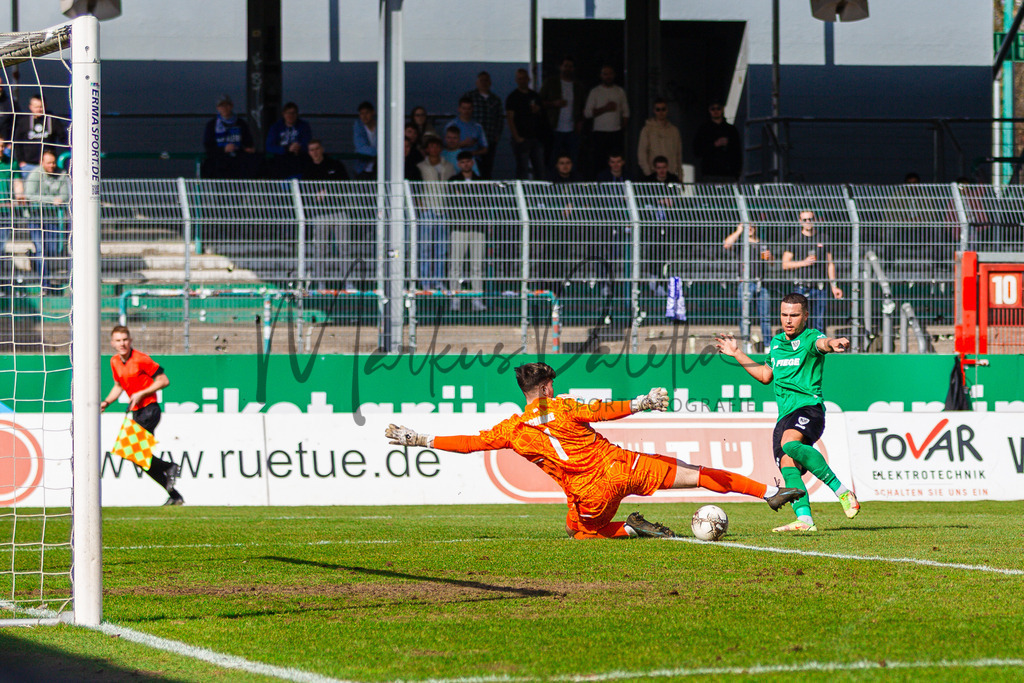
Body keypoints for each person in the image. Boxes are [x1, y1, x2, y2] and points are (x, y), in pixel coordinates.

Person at [385, 362, 805, 539]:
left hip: (592, 492)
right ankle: (766, 494)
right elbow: (602, 411)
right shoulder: (563, 406)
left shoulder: (510, 430)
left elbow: (469, 445)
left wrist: (421, 439)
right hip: (623, 464)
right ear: (548, 388)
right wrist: (641, 403)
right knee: (696, 472)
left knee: (581, 532)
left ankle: (632, 528)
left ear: (526, 392)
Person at [715, 293, 860, 532]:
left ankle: (842, 492)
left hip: (809, 408)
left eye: (794, 315)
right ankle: (805, 520)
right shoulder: (776, 344)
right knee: (787, 464)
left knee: (790, 444)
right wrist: (737, 354)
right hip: (785, 416)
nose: (788, 320)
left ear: (805, 316)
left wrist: (834, 344)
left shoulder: (811, 338)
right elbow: (765, 376)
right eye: (784, 315)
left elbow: (824, 343)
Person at [100, 325, 184, 506]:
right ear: (112, 343)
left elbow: (164, 380)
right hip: (138, 412)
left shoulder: (141, 359)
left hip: (150, 409)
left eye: (125, 340)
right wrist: (106, 402)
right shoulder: (115, 361)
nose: (122, 344)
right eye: (118, 340)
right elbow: (118, 386)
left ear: (130, 341)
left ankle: (169, 467)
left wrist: (142, 393)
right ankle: (175, 495)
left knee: (132, 452)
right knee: (139, 458)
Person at [301, 140, 355, 291]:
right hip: (320, 215)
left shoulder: (335, 165)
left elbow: (345, 186)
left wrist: (329, 192)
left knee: (344, 249)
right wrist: (315, 196)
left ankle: (348, 282)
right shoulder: (308, 169)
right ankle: (321, 284)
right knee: (320, 250)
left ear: (322, 149)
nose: (315, 152)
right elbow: (306, 193)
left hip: (339, 212)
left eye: (317, 148)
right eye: (311, 150)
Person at [781, 209, 843, 334]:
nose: (808, 222)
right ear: (800, 221)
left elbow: (830, 263)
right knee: (799, 323)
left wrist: (834, 286)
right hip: (801, 287)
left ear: (815, 220)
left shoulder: (823, 238)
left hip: (819, 287)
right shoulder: (795, 239)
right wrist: (804, 262)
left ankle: (818, 350)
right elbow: (785, 264)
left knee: (819, 322)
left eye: (810, 219)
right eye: (805, 220)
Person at [22, 148, 68, 291]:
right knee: (42, 250)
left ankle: (32, 257)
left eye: (53, 163)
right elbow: (29, 195)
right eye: (48, 163)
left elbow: (65, 195)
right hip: (36, 218)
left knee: (53, 250)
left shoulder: (62, 174)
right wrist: (51, 200)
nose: (51, 166)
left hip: (53, 218)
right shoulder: (35, 174)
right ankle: (45, 284)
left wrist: (58, 200)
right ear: (42, 162)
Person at [723, 222, 774, 346]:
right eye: (747, 226)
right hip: (745, 283)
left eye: (752, 226)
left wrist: (769, 257)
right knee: (745, 316)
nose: (750, 228)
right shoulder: (741, 243)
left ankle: (768, 345)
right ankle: (746, 343)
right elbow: (726, 244)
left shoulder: (762, 243)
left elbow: (771, 263)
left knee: (765, 316)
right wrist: (739, 230)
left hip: (761, 283)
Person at [415, 134, 455, 289]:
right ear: (426, 149)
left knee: (441, 248)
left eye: (437, 146)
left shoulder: (449, 166)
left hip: (443, 210)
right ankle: (425, 282)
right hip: (427, 209)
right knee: (425, 248)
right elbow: (417, 188)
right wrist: (421, 205)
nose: (434, 149)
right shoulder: (421, 167)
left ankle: (438, 281)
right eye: (431, 146)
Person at [448, 151, 487, 312]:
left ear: (472, 162)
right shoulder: (453, 181)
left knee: (476, 266)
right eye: (462, 162)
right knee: (456, 265)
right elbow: (452, 204)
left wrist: (464, 198)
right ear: (458, 164)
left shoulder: (481, 181)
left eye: (468, 161)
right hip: (458, 227)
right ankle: (455, 299)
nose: (465, 164)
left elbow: (484, 203)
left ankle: (476, 299)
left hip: (478, 228)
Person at [584, 66, 630, 178]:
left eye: (610, 74)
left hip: (615, 133)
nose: (608, 76)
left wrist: (622, 129)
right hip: (599, 133)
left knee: (617, 162)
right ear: (601, 76)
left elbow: (626, 113)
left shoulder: (619, 91)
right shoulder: (595, 92)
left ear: (614, 75)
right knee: (599, 162)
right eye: (605, 74)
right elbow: (587, 113)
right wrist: (605, 108)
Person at [540, 56, 585, 170]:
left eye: (570, 67)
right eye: (565, 66)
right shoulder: (551, 82)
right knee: (552, 158)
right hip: (554, 127)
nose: (567, 69)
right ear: (560, 67)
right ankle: (552, 184)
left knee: (573, 159)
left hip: (572, 129)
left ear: (573, 69)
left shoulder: (578, 86)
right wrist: (554, 104)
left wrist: (580, 121)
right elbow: (539, 102)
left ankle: (572, 184)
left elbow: (582, 106)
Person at [201, 95, 257, 179]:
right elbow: (208, 146)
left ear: (231, 106)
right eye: (221, 106)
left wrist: (245, 148)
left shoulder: (241, 123)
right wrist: (224, 149)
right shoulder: (212, 125)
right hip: (219, 164)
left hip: (239, 162)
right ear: (218, 108)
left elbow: (248, 142)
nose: (224, 108)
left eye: (227, 105)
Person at [12, 95, 68, 178]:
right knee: (30, 189)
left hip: (47, 166)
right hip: (28, 165)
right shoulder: (24, 122)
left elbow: (63, 138)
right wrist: (21, 161)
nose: (39, 109)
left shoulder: (52, 120)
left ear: (45, 106)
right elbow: (16, 142)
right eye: (36, 107)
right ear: (30, 107)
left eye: (41, 107)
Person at [505, 68, 546, 180]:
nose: (522, 81)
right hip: (522, 138)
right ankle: (522, 194)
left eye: (524, 78)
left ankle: (539, 194)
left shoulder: (535, 96)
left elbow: (542, 115)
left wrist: (538, 110)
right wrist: (517, 137)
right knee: (522, 169)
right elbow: (510, 118)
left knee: (540, 169)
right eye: (520, 78)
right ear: (516, 80)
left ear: (529, 79)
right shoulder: (512, 97)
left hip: (536, 138)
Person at [461, 72, 504, 179]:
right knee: (470, 165)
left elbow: (500, 118)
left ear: (490, 82)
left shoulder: (495, 99)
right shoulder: (470, 96)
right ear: (477, 82)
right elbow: (463, 115)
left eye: (486, 80)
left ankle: (486, 191)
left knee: (487, 167)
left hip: (489, 139)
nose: (484, 83)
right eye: (481, 80)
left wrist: (497, 135)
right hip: (472, 140)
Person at [692, 101, 742, 183]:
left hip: (728, 174)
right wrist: (714, 145)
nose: (716, 111)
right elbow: (697, 151)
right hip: (709, 173)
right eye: (713, 109)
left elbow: (737, 152)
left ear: (722, 110)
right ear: (709, 110)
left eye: (718, 108)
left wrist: (737, 172)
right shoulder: (704, 130)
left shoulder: (731, 130)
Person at [264, 101, 312, 179]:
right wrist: (286, 149)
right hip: (281, 161)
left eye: (293, 113)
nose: (290, 116)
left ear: (297, 114)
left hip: (299, 159)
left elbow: (308, 143)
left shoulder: (304, 126)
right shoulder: (276, 127)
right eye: (288, 113)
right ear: (283, 114)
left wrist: (298, 147)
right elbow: (269, 146)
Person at [637, 98, 682, 180]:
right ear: (654, 111)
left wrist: (680, 176)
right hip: (653, 175)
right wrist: (649, 173)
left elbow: (678, 154)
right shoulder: (647, 130)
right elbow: (642, 153)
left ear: (667, 110)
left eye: (663, 109)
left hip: (670, 175)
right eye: (658, 109)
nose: (661, 112)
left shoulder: (674, 131)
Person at [444, 97, 488, 163]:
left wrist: (472, 153)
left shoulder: (478, 127)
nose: (466, 111)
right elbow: (445, 147)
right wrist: (462, 144)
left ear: (472, 109)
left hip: (473, 160)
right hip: (454, 159)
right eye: (464, 108)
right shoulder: (451, 126)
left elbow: (485, 149)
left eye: (469, 108)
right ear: (459, 109)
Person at [353, 101, 378, 179]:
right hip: (362, 168)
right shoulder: (358, 126)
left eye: (367, 113)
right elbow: (360, 147)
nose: (364, 116)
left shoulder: (382, 125)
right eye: (361, 113)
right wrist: (378, 152)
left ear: (373, 112)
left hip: (380, 168)